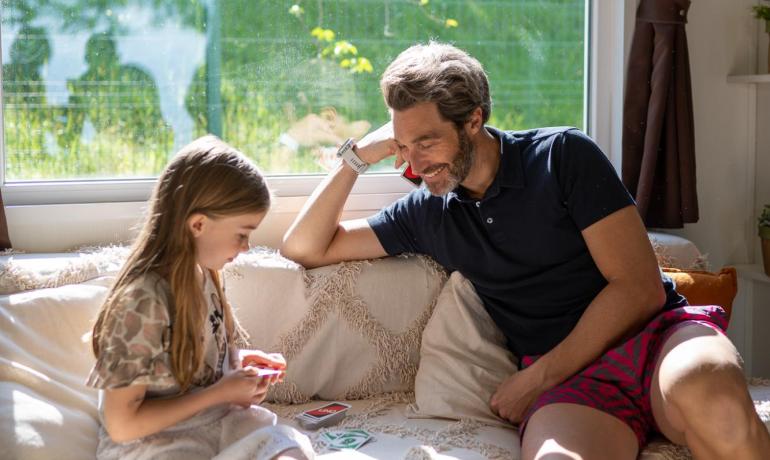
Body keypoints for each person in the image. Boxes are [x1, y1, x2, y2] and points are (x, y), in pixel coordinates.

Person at [281, 42, 770, 458]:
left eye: (426, 142)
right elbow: (304, 246)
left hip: (658, 340)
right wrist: (358, 157)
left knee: (717, 401)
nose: (413, 163)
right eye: (403, 147)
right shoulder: (429, 213)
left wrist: (535, 381)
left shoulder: (561, 157)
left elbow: (639, 288)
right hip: (580, 389)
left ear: (473, 120)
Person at [86, 135, 314, 460]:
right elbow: (122, 424)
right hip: (155, 445)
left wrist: (241, 368)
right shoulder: (141, 302)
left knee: (289, 450)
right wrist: (220, 393)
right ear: (198, 224)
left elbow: (191, 366)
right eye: (242, 234)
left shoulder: (204, 274)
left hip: (212, 423)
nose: (246, 247)